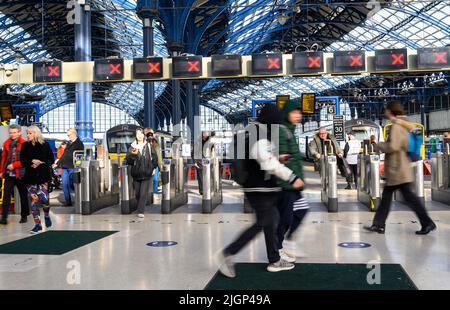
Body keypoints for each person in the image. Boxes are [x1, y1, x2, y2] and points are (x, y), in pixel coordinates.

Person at [215, 104, 304, 277]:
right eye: (277, 122)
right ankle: (228, 253)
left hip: (259, 186)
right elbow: (267, 163)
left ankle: (274, 259)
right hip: (259, 188)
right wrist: (292, 177)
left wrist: (278, 158)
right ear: (272, 121)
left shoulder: (252, 131)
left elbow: (260, 158)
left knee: (271, 221)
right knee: (263, 222)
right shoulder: (261, 135)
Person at [364, 101, 436, 235]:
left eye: (386, 110)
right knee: (395, 198)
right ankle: (379, 224)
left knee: (405, 199)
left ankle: (427, 223)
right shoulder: (403, 124)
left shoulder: (397, 126)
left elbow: (393, 146)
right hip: (400, 168)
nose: (385, 112)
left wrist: (378, 145)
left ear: (391, 111)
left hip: (397, 168)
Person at [277, 100, 309, 259]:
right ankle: (279, 247)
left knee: (299, 211)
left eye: (299, 113)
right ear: (287, 114)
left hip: (292, 184)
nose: (298, 116)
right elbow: (284, 158)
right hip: (287, 184)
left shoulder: (290, 131)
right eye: (294, 113)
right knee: (286, 218)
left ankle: (286, 243)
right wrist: (293, 178)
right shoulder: (283, 131)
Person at [20, 125, 55, 234]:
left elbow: (51, 160)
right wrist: (31, 161)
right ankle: (38, 225)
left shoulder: (45, 145)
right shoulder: (25, 145)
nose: (28, 135)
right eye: (27, 133)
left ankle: (47, 215)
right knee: (34, 202)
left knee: (44, 200)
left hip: (43, 176)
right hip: (30, 178)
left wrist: (41, 162)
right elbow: (22, 161)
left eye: (30, 133)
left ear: (36, 133)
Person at [0, 124, 30, 225]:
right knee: (6, 196)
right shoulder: (6, 143)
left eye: (14, 132)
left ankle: (24, 216)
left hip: (21, 174)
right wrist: (1, 171)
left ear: (19, 132)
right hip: (9, 174)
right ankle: (4, 217)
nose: (12, 134)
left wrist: (14, 165)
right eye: (10, 132)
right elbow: (4, 158)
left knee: (23, 196)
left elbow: (26, 160)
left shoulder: (25, 144)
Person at [126, 127, 157, 218]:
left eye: (141, 134)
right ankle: (140, 206)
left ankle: (141, 211)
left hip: (147, 173)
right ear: (135, 136)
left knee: (143, 193)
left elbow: (154, 158)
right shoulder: (132, 147)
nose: (139, 136)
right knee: (138, 193)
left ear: (143, 135)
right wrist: (133, 155)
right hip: (136, 174)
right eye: (137, 134)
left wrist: (152, 168)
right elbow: (128, 161)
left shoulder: (148, 146)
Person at [53, 128, 84, 206]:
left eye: (69, 135)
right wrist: (58, 164)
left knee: (73, 184)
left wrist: (78, 165)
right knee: (64, 184)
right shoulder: (69, 143)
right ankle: (68, 201)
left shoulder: (79, 144)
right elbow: (64, 155)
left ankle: (79, 199)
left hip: (73, 167)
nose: (68, 136)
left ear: (74, 134)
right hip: (65, 167)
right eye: (68, 135)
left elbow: (80, 155)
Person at [145, 128, 162, 193]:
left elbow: (158, 156)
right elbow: (159, 156)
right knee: (154, 180)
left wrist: (160, 165)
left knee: (153, 179)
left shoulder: (146, 143)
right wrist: (160, 165)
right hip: (152, 165)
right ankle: (153, 192)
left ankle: (151, 192)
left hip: (151, 165)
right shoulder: (155, 144)